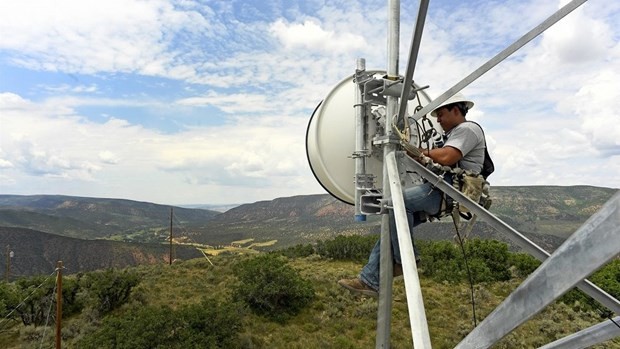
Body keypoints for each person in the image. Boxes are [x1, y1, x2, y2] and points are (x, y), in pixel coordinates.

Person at [338, 93, 487, 297]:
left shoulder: (467, 129)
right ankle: (370, 280)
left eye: (441, 114)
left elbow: (447, 156)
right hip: (443, 190)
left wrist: (421, 151)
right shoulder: (453, 134)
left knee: (395, 206)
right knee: (393, 226)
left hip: (448, 191)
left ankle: (405, 261)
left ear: (456, 110)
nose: (438, 120)